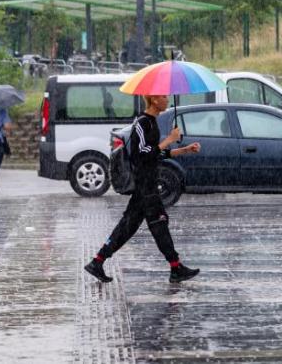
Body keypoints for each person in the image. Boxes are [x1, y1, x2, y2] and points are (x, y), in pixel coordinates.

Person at [84, 94, 202, 284]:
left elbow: (156, 153)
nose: (167, 100)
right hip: (145, 186)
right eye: (164, 97)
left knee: (128, 227)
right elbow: (143, 154)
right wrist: (170, 138)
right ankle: (175, 266)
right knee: (159, 225)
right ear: (154, 100)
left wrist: (184, 149)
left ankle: (97, 261)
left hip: (147, 186)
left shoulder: (152, 122)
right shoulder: (142, 122)